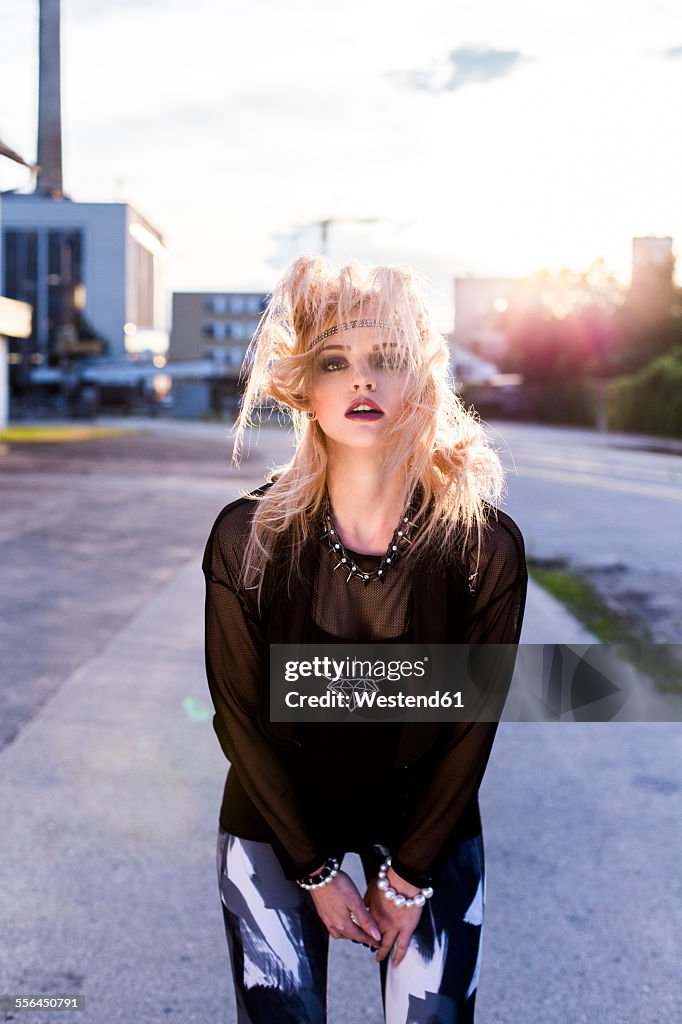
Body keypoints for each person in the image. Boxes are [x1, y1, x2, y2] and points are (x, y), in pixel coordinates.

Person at [202, 255, 527, 1024]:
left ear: (420, 381)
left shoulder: (484, 546)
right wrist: (314, 872)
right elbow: (239, 718)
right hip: (276, 813)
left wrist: (411, 877)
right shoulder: (246, 538)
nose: (362, 381)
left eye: (387, 359)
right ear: (305, 390)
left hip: (428, 820)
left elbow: (471, 725)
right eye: (335, 361)